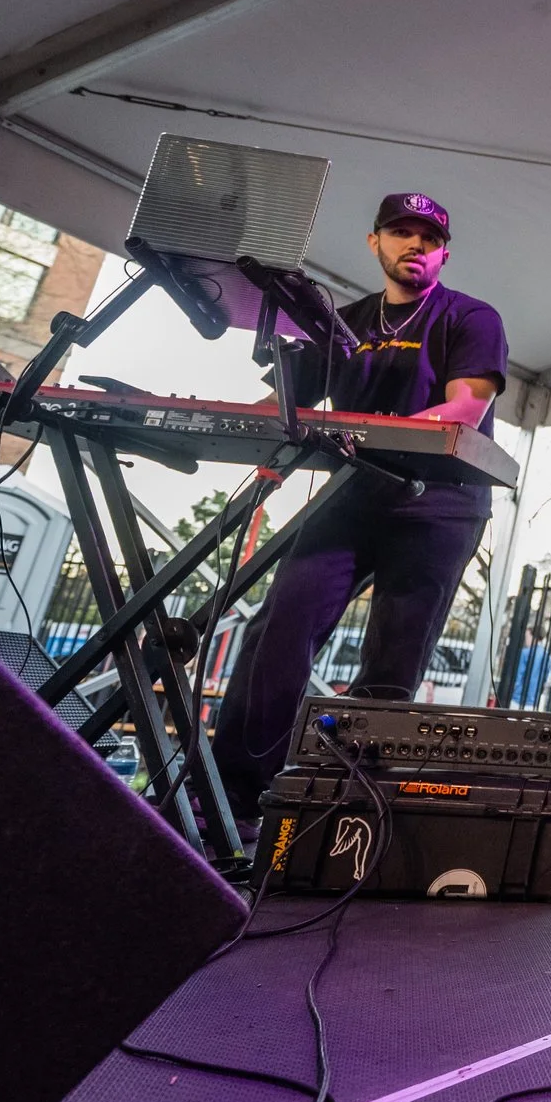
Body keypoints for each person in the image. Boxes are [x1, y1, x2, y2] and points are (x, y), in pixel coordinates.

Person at [211, 193, 507, 820]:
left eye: (429, 238)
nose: (415, 245)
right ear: (375, 243)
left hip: (440, 503)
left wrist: (369, 431)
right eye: (400, 232)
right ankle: (232, 798)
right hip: (353, 493)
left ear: (444, 253)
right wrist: (201, 416)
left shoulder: (471, 317)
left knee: (393, 658)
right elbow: (280, 405)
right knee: (280, 626)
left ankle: (347, 811)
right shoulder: (341, 324)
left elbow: (465, 409)